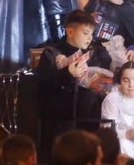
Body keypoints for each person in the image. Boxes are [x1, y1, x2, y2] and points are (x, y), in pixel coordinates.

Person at [36, 10, 112, 159]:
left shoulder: (93, 54)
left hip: (88, 121)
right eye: (85, 33)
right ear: (70, 31)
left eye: (91, 34)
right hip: (59, 124)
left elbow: (102, 81)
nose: (89, 38)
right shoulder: (51, 53)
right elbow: (44, 85)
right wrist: (68, 73)